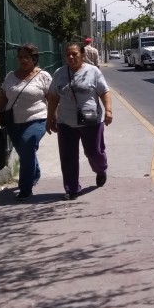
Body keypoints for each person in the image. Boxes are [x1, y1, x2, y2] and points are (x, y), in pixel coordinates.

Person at [46, 42, 113, 200]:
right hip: (65, 122)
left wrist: (108, 110)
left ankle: (100, 169)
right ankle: (72, 188)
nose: (71, 57)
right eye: (68, 54)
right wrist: (50, 117)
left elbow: (104, 91)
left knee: (93, 152)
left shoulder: (93, 71)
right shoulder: (59, 73)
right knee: (68, 156)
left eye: (74, 54)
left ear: (82, 55)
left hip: (91, 121)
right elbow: (53, 97)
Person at [0, 43, 52, 200]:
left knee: (27, 143)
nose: (23, 60)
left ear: (34, 58)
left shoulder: (43, 76)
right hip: (13, 122)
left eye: (26, 57)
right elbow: (4, 96)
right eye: (20, 57)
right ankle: (35, 173)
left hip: (37, 119)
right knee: (26, 152)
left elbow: (51, 99)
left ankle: (25, 188)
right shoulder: (11, 76)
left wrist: (53, 117)